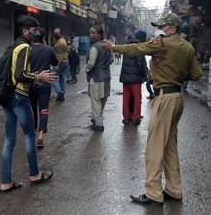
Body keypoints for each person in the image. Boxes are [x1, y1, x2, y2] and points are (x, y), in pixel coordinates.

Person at [102, 13, 203, 206]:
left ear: (172, 28)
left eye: (162, 26)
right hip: (178, 97)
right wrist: (177, 71)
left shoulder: (162, 44)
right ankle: (174, 189)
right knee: (170, 145)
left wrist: (113, 47)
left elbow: (137, 49)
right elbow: (196, 74)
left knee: (155, 147)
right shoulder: (187, 47)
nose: (160, 30)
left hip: (164, 97)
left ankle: (153, 193)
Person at [0, 15, 57, 193]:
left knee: (9, 139)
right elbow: (20, 75)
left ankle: (6, 182)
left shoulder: (13, 46)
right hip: (18, 96)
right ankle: (35, 174)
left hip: (7, 97)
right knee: (30, 135)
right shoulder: (24, 46)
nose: (36, 33)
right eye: (33, 30)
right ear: (25, 31)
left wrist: (33, 81)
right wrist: (40, 77)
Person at [29, 27, 58, 149]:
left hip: (31, 82)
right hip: (45, 82)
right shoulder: (48, 49)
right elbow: (55, 63)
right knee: (44, 109)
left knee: (33, 109)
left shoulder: (28, 50)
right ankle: (41, 134)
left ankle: (34, 133)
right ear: (43, 37)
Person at [87, 25, 113, 132]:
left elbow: (91, 63)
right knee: (102, 99)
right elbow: (111, 59)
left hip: (96, 77)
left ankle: (98, 124)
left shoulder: (94, 47)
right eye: (90, 33)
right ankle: (96, 118)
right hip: (106, 76)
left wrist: (87, 68)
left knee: (96, 100)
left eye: (93, 33)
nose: (91, 35)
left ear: (100, 34)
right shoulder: (107, 46)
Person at [120, 30, 148, 125]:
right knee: (137, 98)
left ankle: (126, 117)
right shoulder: (139, 47)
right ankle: (136, 117)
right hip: (135, 77)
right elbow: (140, 63)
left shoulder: (126, 45)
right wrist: (144, 75)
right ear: (142, 38)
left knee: (126, 98)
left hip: (125, 76)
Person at [51, 28, 69, 101]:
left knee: (53, 77)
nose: (55, 34)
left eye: (57, 33)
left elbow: (59, 55)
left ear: (61, 33)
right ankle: (62, 95)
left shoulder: (60, 43)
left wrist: (57, 65)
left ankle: (59, 92)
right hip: (64, 62)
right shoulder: (61, 41)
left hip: (60, 63)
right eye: (55, 33)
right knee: (61, 78)